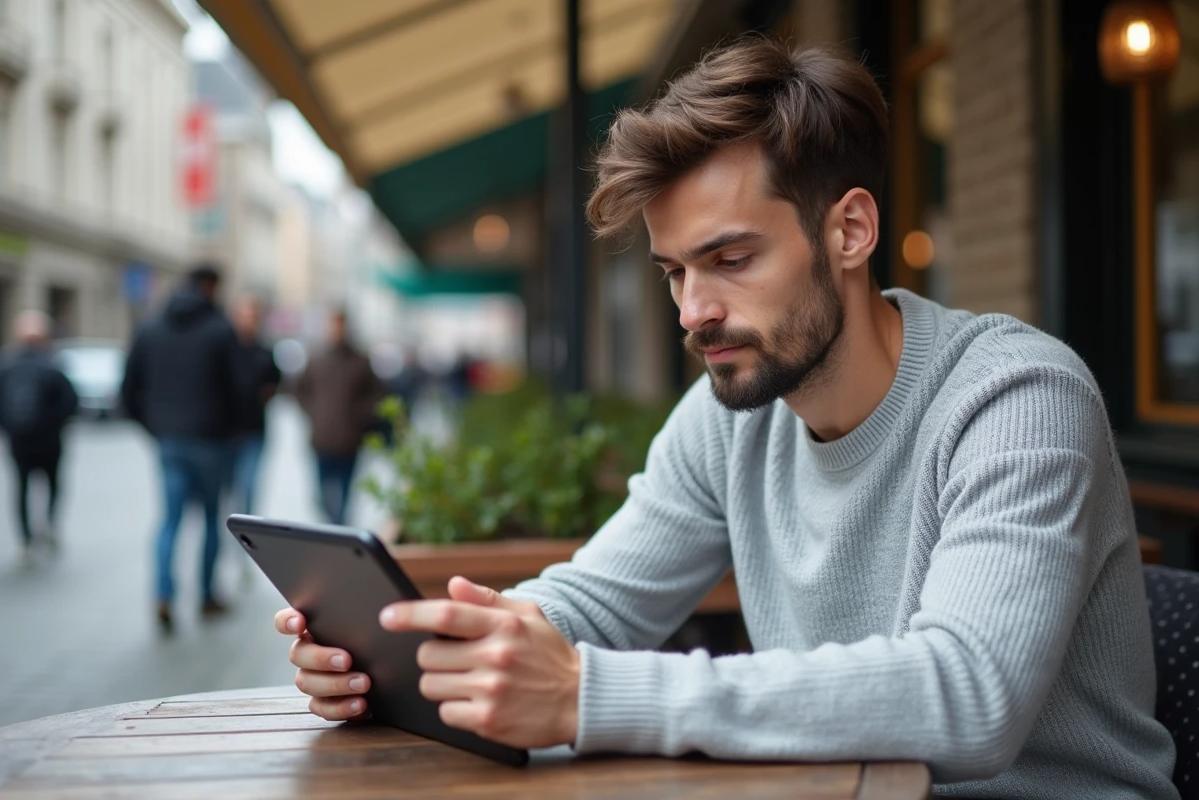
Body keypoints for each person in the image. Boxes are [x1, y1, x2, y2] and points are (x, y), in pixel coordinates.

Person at [272, 40, 1178, 798]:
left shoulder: (1017, 397)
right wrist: (421, 650)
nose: (692, 310)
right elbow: (597, 600)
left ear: (850, 232)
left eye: (731, 258)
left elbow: (969, 696)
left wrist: (587, 694)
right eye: (675, 271)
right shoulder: (732, 411)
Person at [121, 264, 240, 632]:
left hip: (169, 441)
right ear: (210, 287)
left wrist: (156, 428)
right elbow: (239, 389)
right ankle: (206, 597)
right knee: (208, 519)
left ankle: (162, 595)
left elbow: (127, 389)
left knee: (169, 521)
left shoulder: (151, 327)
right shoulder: (220, 330)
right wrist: (228, 430)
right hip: (210, 442)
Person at [0, 310, 78, 566]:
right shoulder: (53, 364)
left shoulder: (6, 365)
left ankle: (26, 540)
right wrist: (54, 426)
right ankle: (50, 525)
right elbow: (70, 403)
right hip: (50, 441)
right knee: (53, 484)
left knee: (21, 488)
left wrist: (10, 428)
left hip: (19, 441)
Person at [295, 309, 385, 526]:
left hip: (350, 439)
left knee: (345, 492)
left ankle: (337, 529)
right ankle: (331, 524)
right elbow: (299, 390)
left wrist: (360, 415)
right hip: (322, 438)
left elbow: (377, 395)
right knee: (322, 493)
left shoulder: (360, 361)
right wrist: (314, 412)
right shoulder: (316, 359)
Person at [228, 297, 281, 517]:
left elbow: (275, 382)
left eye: (253, 317)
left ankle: (243, 528)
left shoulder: (264, 352)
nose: (249, 322)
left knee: (248, 486)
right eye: (245, 317)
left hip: (254, 431)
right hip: (226, 432)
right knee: (228, 488)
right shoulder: (226, 349)